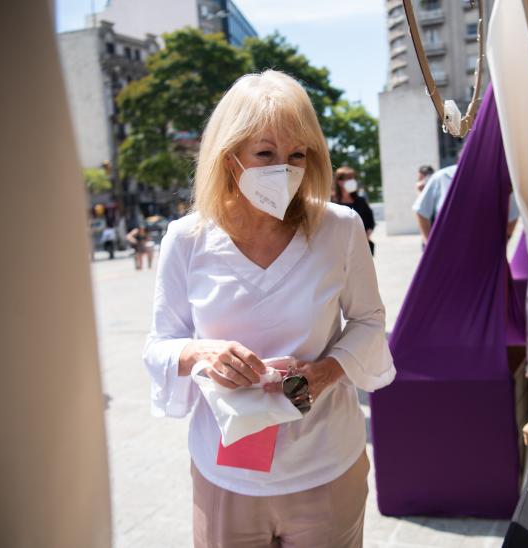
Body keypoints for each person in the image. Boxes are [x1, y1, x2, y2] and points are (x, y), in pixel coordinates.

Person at [143, 71, 395, 548]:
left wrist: (324, 372)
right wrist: (203, 355)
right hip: (225, 475)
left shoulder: (339, 229)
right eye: (265, 153)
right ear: (229, 156)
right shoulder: (187, 240)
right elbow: (160, 346)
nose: (283, 168)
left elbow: (368, 321)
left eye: (297, 154)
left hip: (325, 466)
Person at [412, 163, 520, 244]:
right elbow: (421, 210)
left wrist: (503, 242)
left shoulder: (497, 180)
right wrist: (429, 244)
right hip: (446, 251)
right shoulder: (442, 177)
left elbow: (513, 215)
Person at [333, 166, 376, 255]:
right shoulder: (332, 203)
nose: (353, 181)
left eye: (353, 178)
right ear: (339, 181)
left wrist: (367, 233)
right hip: (340, 250)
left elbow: (370, 219)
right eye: (349, 178)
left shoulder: (361, 201)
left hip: (362, 246)